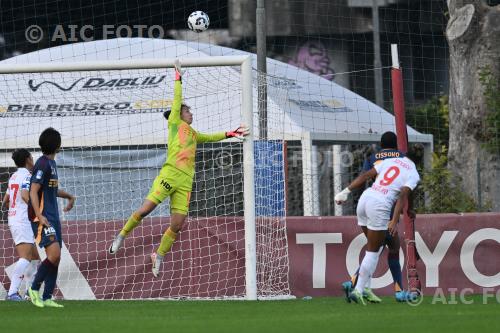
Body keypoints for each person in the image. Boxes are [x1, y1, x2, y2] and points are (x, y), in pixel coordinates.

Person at [109, 60, 249, 278]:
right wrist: (178, 77)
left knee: (177, 224)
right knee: (146, 210)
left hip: (185, 181)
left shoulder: (193, 133)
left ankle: (159, 254)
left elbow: (211, 137)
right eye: (187, 110)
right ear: (180, 113)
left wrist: (231, 133)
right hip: (169, 175)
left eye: (189, 111)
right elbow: (176, 100)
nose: (190, 113)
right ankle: (121, 235)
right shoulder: (175, 123)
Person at [335, 131, 420, 305]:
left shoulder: (388, 161)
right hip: (380, 206)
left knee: (380, 246)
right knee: (374, 251)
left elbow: (366, 176)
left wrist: (345, 192)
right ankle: (357, 288)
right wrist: (395, 220)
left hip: (366, 199)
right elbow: (403, 195)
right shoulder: (412, 172)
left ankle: (362, 286)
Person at [27, 128, 76, 308]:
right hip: (42, 217)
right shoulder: (42, 164)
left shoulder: (52, 165)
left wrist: (69, 196)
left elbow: (52, 191)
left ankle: (47, 297)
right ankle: (33, 289)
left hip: (52, 216)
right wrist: (39, 215)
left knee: (56, 257)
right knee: (54, 255)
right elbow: (33, 192)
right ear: (58, 145)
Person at [2, 149, 40, 301]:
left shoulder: (14, 176)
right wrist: (37, 212)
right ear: (27, 159)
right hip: (22, 220)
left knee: (35, 257)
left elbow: (5, 200)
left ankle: (29, 292)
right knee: (25, 257)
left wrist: (13, 208)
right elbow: (25, 196)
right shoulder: (28, 176)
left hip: (15, 218)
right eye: (31, 157)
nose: (32, 159)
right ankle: (12, 293)